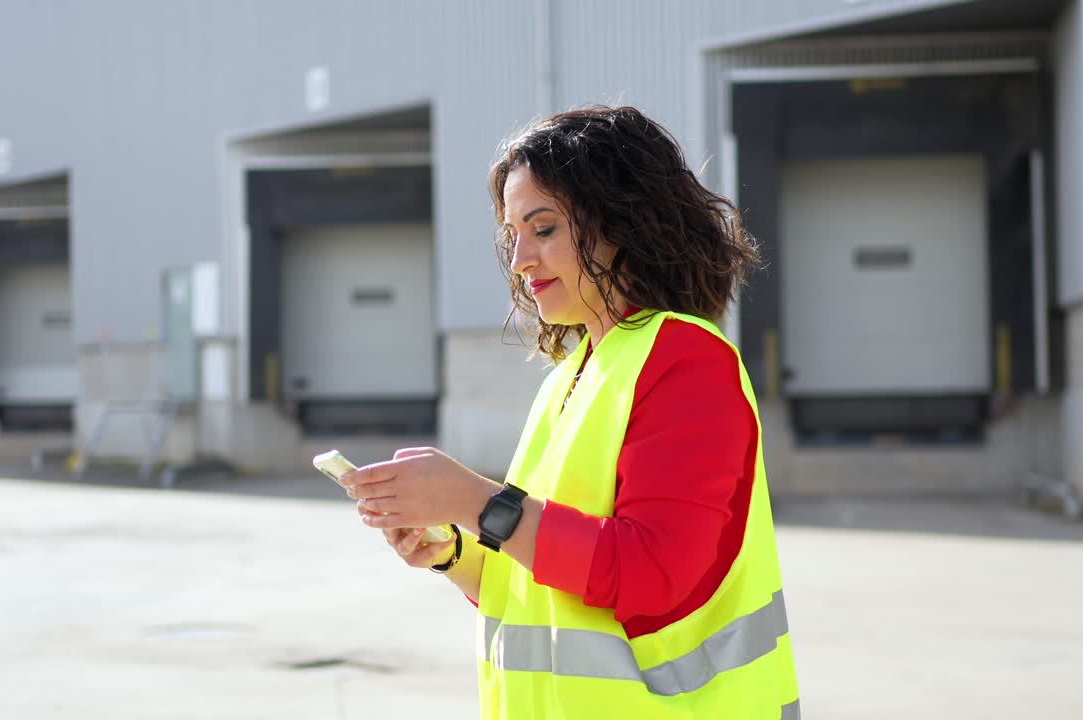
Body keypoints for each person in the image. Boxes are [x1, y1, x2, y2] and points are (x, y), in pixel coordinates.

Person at [340, 105, 799, 719]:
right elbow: (550, 589)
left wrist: (476, 502)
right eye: (512, 235)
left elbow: (649, 574)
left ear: (624, 221)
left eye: (545, 227)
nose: (521, 259)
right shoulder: (572, 375)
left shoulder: (685, 361)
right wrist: (452, 551)